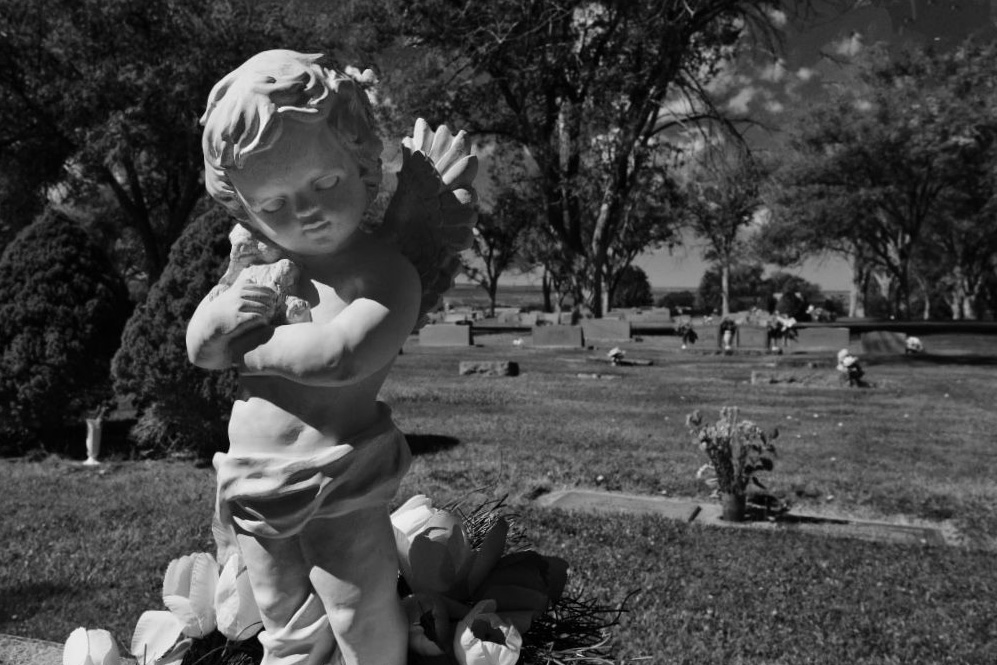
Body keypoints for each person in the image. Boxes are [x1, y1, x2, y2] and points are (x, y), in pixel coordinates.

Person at [187, 50, 476, 665]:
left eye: (325, 184)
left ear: (364, 165)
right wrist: (220, 320)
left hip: (340, 475)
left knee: (355, 605)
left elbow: (341, 356)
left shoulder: (386, 272)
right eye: (273, 205)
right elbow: (200, 347)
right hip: (253, 478)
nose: (305, 212)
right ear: (243, 206)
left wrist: (249, 349)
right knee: (281, 611)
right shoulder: (256, 266)